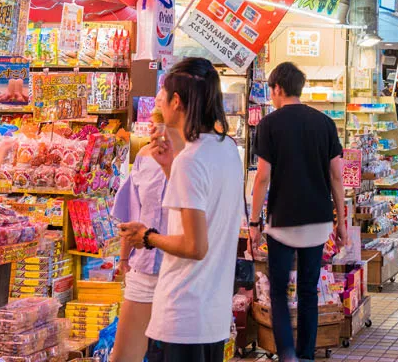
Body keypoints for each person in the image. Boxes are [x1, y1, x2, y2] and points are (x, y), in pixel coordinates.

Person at [119, 57, 244, 362]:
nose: (160, 105)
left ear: (177, 100)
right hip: (211, 317)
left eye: (164, 96)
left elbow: (194, 245)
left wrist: (147, 237)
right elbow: (200, 205)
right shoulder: (225, 149)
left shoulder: (192, 160)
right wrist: (168, 168)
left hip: (182, 315)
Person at [249, 63, 349, 362]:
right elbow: (336, 177)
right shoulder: (325, 123)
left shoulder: (269, 125)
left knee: (279, 293)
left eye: (271, 90)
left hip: (282, 221)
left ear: (278, 88)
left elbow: (262, 177)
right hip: (318, 220)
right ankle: (305, 356)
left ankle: (287, 354)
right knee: (308, 290)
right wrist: (341, 223)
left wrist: (254, 223)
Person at [113, 112, 177, 362]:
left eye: (159, 123)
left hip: (179, 271)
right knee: (123, 356)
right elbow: (131, 213)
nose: (153, 130)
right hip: (144, 267)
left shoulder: (192, 160)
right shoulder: (143, 157)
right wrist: (123, 259)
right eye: (152, 124)